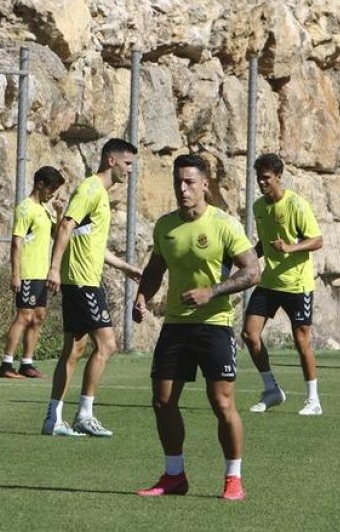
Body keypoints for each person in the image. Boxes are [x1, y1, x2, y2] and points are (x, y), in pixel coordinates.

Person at [132, 154, 259, 501]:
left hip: (214, 325)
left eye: (189, 182)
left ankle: (233, 478)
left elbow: (252, 272)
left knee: (221, 403)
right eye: (178, 182)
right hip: (176, 325)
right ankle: (174, 475)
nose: (183, 188)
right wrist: (142, 296)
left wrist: (211, 292)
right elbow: (156, 268)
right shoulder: (165, 226)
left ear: (205, 184)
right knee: (162, 401)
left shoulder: (224, 225)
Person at [41, 138, 143, 438]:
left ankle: (53, 419)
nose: (130, 170)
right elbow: (65, 226)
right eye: (127, 164)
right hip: (82, 281)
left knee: (74, 350)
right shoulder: (90, 189)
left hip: (82, 279)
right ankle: (84, 414)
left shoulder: (98, 194)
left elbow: (88, 240)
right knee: (107, 345)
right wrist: (54, 268)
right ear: (111, 160)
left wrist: (125, 267)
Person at [241, 154, 325, 416]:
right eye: (259, 178)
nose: (262, 182)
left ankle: (313, 400)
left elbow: (317, 240)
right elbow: (263, 244)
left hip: (297, 285)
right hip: (270, 282)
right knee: (249, 334)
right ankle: (272, 390)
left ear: (278, 177)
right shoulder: (258, 207)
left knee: (301, 340)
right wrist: (245, 259)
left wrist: (290, 247)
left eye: (266, 178)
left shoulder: (296, 205)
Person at [0, 166, 66, 379]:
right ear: (40, 184)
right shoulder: (25, 208)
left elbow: (57, 234)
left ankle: (27, 363)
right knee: (24, 316)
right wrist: (15, 274)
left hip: (42, 273)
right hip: (27, 272)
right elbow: (16, 242)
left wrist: (58, 213)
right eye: (51, 188)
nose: (53, 193)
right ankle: (6, 365)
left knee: (38, 317)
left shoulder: (44, 209)